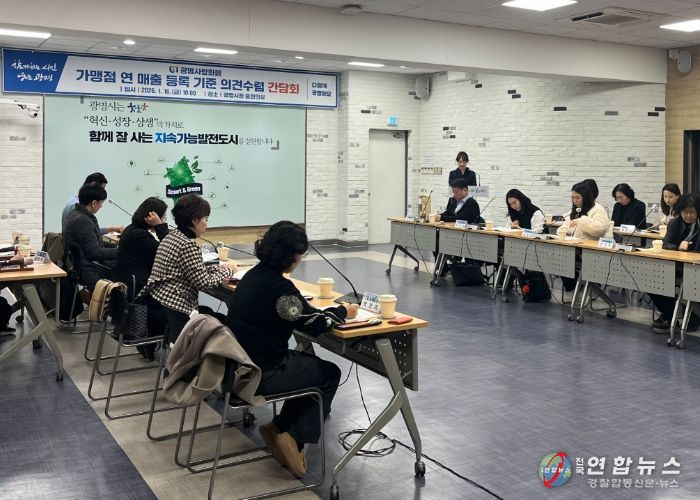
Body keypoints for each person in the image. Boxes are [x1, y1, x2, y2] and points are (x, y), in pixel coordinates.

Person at [226, 221, 358, 479]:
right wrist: (344, 311)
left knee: (306, 366)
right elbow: (315, 324)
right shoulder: (281, 290)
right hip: (262, 372)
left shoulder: (255, 275)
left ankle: (278, 427)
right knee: (328, 374)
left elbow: (299, 315)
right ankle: (294, 437)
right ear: (292, 256)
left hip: (237, 367)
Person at [140, 194, 237, 342]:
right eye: (206, 219)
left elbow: (191, 270)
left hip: (167, 304)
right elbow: (204, 283)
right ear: (195, 220)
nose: (207, 225)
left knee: (213, 313)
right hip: (182, 309)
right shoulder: (187, 245)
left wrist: (216, 269)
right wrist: (229, 270)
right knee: (227, 324)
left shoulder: (172, 236)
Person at [650, 193, 700, 333]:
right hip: (676, 266)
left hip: (695, 269)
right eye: (684, 212)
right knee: (650, 280)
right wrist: (678, 247)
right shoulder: (674, 223)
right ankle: (670, 315)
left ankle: (689, 316)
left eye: (692, 212)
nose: (688, 216)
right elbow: (666, 244)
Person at [62, 183, 118, 290]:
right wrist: (121, 251)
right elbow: (95, 253)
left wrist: (116, 247)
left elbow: (92, 242)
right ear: (93, 203)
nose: (101, 206)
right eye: (101, 203)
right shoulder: (82, 221)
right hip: (88, 269)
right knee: (126, 269)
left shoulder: (77, 214)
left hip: (83, 265)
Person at [115, 197, 169, 298]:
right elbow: (168, 250)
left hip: (130, 282)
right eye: (163, 217)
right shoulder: (139, 235)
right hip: (137, 288)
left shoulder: (131, 229)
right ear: (152, 217)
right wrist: (160, 226)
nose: (164, 220)